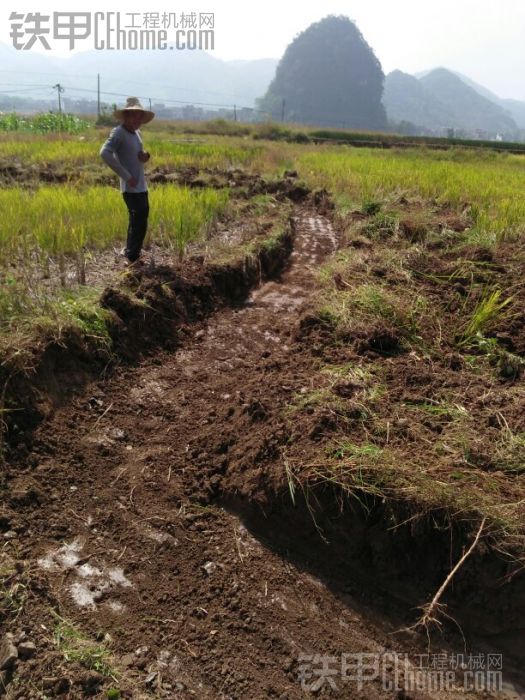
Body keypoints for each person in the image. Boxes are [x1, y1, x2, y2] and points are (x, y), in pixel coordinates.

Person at [99, 97, 155, 265]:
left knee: (141, 219)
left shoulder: (137, 133)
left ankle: (133, 252)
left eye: (140, 117)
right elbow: (105, 153)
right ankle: (131, 256)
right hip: (130, 187)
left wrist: (144, 156)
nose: (137, 120)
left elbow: (137, 154)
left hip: (140, 184)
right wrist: (126, 175)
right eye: (134, 116)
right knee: (137, 219)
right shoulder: (118, 133)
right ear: (125, 116)